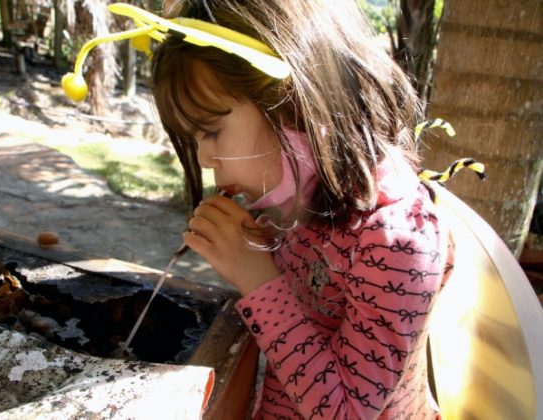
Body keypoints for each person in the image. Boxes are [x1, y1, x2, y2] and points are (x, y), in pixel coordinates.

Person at [150, 1, 454, 418]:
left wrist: (257, 280)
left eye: (212, 131)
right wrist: (265, 247)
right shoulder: (307, 198)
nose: (204, 159)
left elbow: (347, 412)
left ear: (294, 104)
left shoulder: (398, 239)